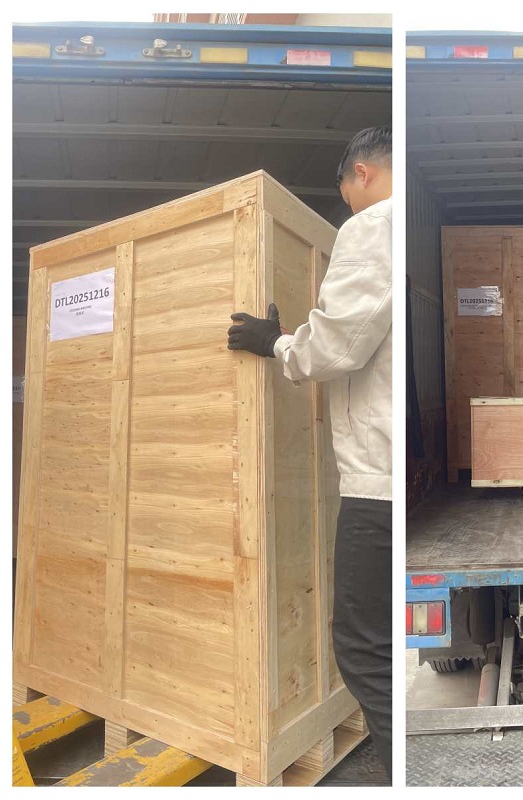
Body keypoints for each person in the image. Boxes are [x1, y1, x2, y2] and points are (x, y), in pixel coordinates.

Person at [227, 126, 392, 780]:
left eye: (345, 192)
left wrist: (277, 345)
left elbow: (337, 345)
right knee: (375, 642)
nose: (347, 204)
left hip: (375, 485)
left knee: (362, 649)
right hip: (387, 474)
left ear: (361, 174)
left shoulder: (373, 226)